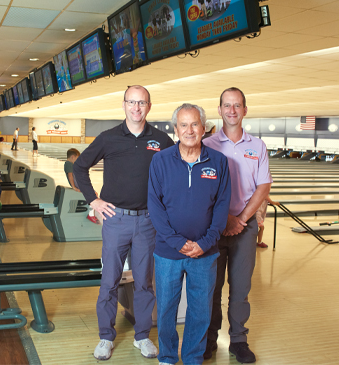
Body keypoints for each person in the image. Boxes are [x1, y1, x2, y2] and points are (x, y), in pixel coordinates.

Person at [73, 85, 174, 361]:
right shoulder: (108, 138)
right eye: (132, 102)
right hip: (115, 219)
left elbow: (175, 174)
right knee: (110, 281)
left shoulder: (163, 140)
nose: (136, 107)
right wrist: (93, 199)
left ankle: (142, 336)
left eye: (141, 102)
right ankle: (105, 337)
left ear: (149, 106)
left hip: (147, 222)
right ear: (124, 105)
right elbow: (79, 167)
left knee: (144, 282)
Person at [148, 104, 231, 365]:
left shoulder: (218, 162)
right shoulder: (160, 160)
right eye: (183, 125)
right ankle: (168, 357)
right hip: (167, 252)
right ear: (175, 130)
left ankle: (193, 358)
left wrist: (205, 243)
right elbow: (155, 206)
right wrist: (177, 242)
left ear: (203, 128)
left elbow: (222, 206)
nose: (189, 130)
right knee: (166, 311)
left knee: (200, 312)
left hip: (205, 254)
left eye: (194, 124)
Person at [203, 87, 272, 363]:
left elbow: (263, 185)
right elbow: (201, 189)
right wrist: (224, 220)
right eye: (227, 105)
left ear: (245, 110)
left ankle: (238, 341)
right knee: (211, 287)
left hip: (245, 229)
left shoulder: (258, 146)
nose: (232, 110)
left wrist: (241, 219)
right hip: (213, 229)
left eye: (237, 105)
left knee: (240, 290)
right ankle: (209, 340)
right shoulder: (207, 145)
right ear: (219, 110)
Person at [64, 148, 99, 224]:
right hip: (79, 184)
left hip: (79, 183)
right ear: (73, 157)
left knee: (94, 194)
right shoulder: (68, 163)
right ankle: (91, 215)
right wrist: (74, 187)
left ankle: (91, 213)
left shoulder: (69, 164)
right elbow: (70, 175)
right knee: (92, 195)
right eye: (77, 158)